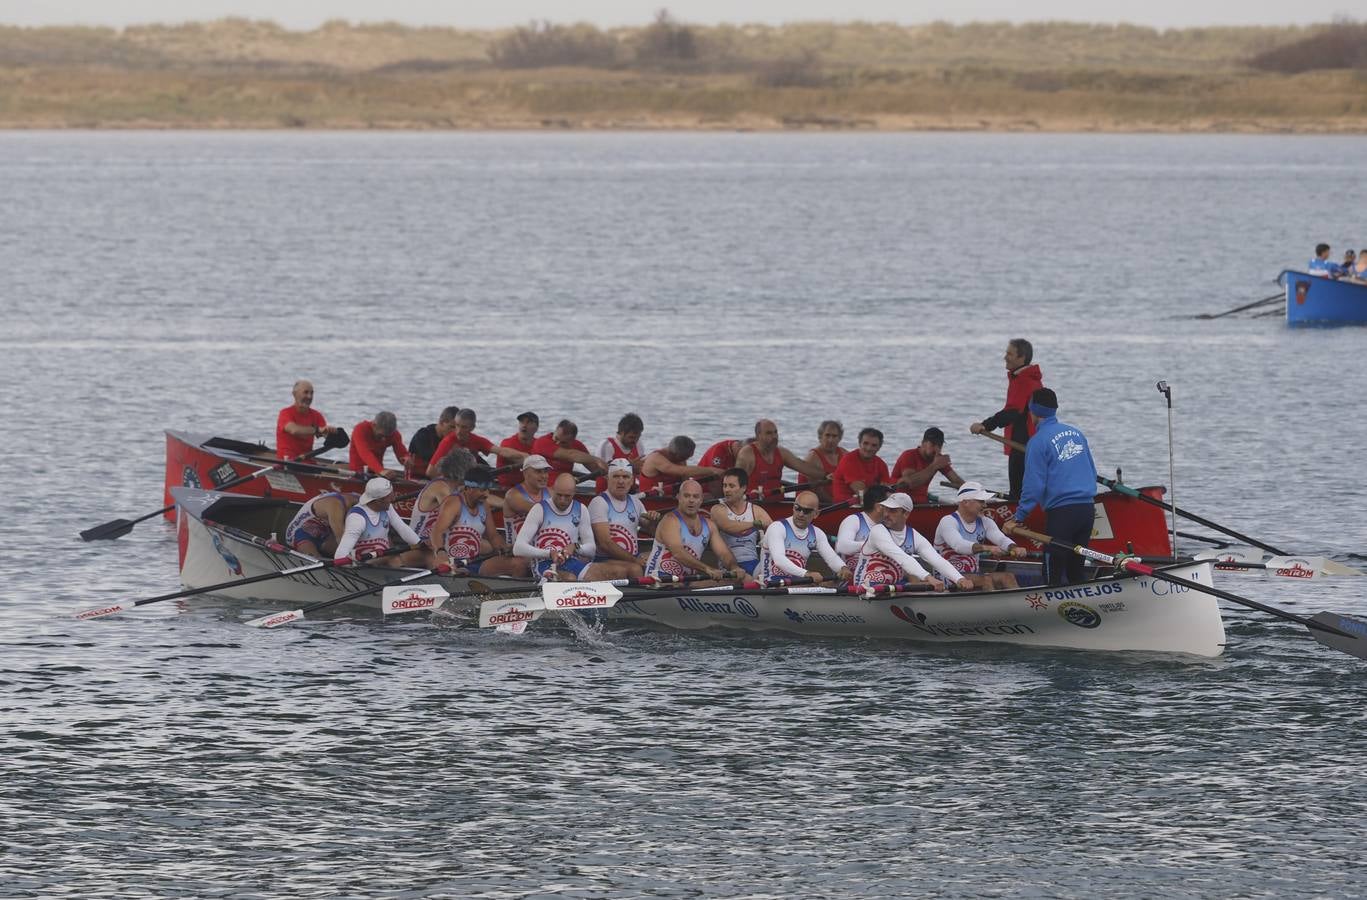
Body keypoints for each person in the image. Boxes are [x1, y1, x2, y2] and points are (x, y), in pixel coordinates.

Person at [1003, 388, 1099, 587]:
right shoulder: (1076, 433)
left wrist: (1018, 518)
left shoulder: (1037, 442)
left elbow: (1033, 487)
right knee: (1076, 571)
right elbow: (1091, 471)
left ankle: (1052, 609)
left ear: (1033, 412)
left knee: (1052, 571)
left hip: (1062, 513)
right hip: (1087, 510)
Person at [971, 338, 1044, 502]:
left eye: (1009, 353)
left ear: (1021, 358)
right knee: (1023, 489)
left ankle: (1019, 514)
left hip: (1024, 443)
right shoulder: (1022, 378)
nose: (1005, 357)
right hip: (1025, 442)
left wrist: (985, 425)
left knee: (1019, 492)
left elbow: (1012, 412)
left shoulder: (1025, 380)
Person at [851, 492, 969, 592]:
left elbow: (937, 560)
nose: (886, 514)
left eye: (892, 511)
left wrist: (959, 579)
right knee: (922, 582)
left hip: (892, 589)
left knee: (922, 585)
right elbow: (902, 557)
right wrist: (928, 577)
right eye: (886, 509)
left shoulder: (914, 536)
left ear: (906, 514)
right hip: (865, 589)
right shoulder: (878, 531)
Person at [427, 465, 528, 578]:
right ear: (468, 488)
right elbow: (436, 532)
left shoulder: (483, 505)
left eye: (488, 489)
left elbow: (493, 536)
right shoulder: (454, 503)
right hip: (451, 562)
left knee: (519, 564)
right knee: (461, 572)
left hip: (474, 561)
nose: (487, 494)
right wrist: (441, 553)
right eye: (482, 490)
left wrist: (505, 548)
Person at [644, 479, 744, 584]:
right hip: (658, 578)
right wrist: (707, 569)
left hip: (686, 581)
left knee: (740, 580)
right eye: (686, 496)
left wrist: (734, 567)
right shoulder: (670, 520)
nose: (691, 500)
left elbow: (724, 553)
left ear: (701, 500)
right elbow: (678, 553)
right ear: (678, 498)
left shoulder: (709, 525)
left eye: (695, 497)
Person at [934, 482, 1027, 591]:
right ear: (966, 502)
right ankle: (995, 607)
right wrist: (988, 548)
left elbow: (1001, 539)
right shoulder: (948, 521)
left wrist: (1014, 547)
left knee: (1007, 577)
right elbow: (958, 545)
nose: (985, 505)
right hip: (946, 577)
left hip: (973, 576)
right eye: (981, 501)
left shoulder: (985, 522)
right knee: (985, 580)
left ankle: (1018, 606)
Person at [513, 473, 602, 582]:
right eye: (559, 495)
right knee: (569, 579)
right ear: (553, 490)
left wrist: (575, 547)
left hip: (571, 562)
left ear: (574, 493)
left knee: (605, 573)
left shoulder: (581, 509)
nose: (562, 500)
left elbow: (592, 549)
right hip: (543, 564)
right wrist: (549, 553)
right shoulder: (539, 509)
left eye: (567, 496)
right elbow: (518, 548)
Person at [757, 491, 851, 584]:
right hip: (770, 582)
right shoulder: (777, 527)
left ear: (816, 514)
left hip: (796, 582)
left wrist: (843, 568)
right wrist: (807, 573)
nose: (801, 514)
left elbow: (832, 557)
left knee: (829, 584)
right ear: (793, 507)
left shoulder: (817, 533)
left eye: (807, 511)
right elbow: (779, 560)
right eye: (798, 508)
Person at [588, 459, 660, 577]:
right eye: (616, 476)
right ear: (607, 479)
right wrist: (634, 560)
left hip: (631, 558)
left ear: (632, 480)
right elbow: (605, 543)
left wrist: (653, 521)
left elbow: (653, 532)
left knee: (664, 559)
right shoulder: (599, 503)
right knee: (636, 569)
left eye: (625, 477)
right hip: (605, 560)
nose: (621, 481)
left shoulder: (636, 502)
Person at [332, 477, 425, 568]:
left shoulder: (387, 507)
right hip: (364, 564)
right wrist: (349, 566)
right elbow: (339, 556)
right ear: (379, 500)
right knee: (394, 558)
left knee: (426, 554)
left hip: (383, 556)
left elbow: (402, 527)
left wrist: (421, 544)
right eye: (390, 497)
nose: (393, 499)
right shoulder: (357, 519)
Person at [735, 419, 827, 497]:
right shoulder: (747, 454)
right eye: (769, 433)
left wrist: (826, 475)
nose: (774, 436)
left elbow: (802, 466)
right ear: (758, 435)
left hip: (778, 503)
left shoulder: (782, 453)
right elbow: (735, 483)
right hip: (754, 504)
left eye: (775, 432)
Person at [425, 408, 526, 477]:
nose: (458, 431)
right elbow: (430, 472)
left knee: (484, 469)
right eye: (457, 425)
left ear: (472, 427)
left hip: (467, 480)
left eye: (464, 427)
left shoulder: (476, 440)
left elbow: (501, 451)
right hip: (451, 482)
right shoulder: (448, 442)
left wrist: (526, 456)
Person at [710, 468, 774, 576]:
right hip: (730, 567)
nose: (726, 490)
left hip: (753, 563)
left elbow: (776, 531)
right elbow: (729, 526)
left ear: (743, 488)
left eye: (731, 486)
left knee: (774, 572)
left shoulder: (756, 510)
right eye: (724, 485)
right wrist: (755, 524)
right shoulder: (718, 509)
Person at [409, 449, 475, 543]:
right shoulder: (440, 487)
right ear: (462, 472)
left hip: (436, 540)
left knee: (485, 546)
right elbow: (456, 514)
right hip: (421, 543)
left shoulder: (455, 487)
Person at [892, 427, 964, 504]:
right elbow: (911, 483)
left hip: (922, 503)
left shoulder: (937, 459)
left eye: (939, 446)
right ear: (923, 443)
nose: (936, 449)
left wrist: (972, 492)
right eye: (933, 444)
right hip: (899, 502)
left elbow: (957, 481)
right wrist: (934, 466)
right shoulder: (909, 455)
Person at [275, 380, 344, 461]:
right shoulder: (285, 413)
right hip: (286, 461)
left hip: (306, 461)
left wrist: (333, 434)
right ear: (294, 394)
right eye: (306, 392)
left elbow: (325, 434)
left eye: (312, 393)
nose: (309, 397)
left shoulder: (316, 415)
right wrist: (318, 430)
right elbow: (294, 430)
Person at [638, 436, 725, 496]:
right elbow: (681, 471)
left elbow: (685, 482)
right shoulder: (655, 458)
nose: (685, 460)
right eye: (686, 457)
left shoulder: (681, 460)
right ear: (676, 455)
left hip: (673, 499)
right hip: (652, 500)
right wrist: (712, 470)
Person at [284, 491, 360, 557]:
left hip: (324, 532)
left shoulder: (357, 499)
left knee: (357, 552)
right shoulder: (335, 505)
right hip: (300, 534)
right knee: (315, 562)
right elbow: (340, 536)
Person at [502, 454, 552, 547]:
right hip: (517, 553)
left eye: (546, 471)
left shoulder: (551, 492)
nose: (544, 476)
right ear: (525, 473)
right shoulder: (513, 495)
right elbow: (539, 510)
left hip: (542, 548)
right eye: (538, 472)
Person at [835, 484, 892, 565]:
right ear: (879, 507)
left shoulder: (888, 525)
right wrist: (874, 545)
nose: (895, 507)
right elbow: (842, 547)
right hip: (850, 575)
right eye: (891, 503)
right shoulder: (854, 520)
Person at [830, 428, 890, 504]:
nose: (869, 448)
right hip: (845, 508)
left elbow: (887, 491)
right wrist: (880, 490)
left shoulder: (881, 464)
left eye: (874, 445)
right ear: (859, 443)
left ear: (879, 447)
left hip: (868, 506)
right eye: (865, 443)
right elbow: (862, 493)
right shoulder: (849, 460)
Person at [531, 419, 607, 479]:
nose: (557, 443)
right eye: (556, 438)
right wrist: (597, 460)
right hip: (540, 486)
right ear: (555, 430)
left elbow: (594, 468)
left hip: (563, 488)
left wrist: (608, 470)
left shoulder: (577, 445)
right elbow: (570, 455)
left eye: (563, 442)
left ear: (572, 441)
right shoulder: (542, 442)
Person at [348, 411, 408, 478]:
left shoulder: (394, 434)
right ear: (374, 425)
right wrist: (380, 471)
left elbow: (402, 454)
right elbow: (365, 453)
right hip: (358, 472)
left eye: (387, 436)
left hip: (378, 473)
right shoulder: (360, 429)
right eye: (381, 435)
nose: (384, 439)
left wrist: (406, 459)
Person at [595, 412, 644, 492]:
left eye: (637, 437)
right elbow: (604, 472)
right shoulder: (607, 445)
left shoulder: (639, 444)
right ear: (621, 432)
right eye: (631, 437)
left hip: (630, 492)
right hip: (607, 493)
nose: (635, 441)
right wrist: (629, 467)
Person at [798, 420, 846, 502]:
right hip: (810, 505)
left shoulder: (845, 454)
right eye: (827, 435)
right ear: (820, 437)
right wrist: (836, 504)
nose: (830, 440)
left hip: (835, 503)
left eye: (834, 436)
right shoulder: (812, 457)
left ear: (839, 438)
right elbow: (817, 491)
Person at [407, 406, 459, 478]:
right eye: (451, 427)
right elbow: (430, 457)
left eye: (456, 428)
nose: (454, 432)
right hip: (416, 478)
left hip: (438, 479)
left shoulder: (453, 438)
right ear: (441, 422)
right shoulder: (422, 435)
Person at [497, 411, 540, 488]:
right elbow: (522, 460)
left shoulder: (539, 444)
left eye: (529, 422)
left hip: (529, 488)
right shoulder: (507, 442)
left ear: (536, 428)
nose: (524, 425)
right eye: (521, 422)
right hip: (506, 488)